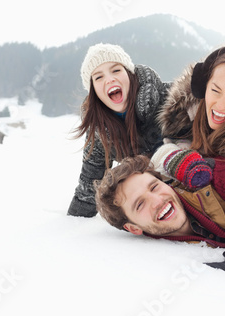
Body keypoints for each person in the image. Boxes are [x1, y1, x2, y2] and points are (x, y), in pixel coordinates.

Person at [95, 152, 225, 277]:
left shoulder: (214, 178)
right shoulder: (155, 255)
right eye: (140, 204)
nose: (158, 201)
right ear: (133, 228)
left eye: (154, 187)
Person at [68, 43, 171, 217]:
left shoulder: (168, 98)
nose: (109, 80)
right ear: (94, 91)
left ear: (130, 74)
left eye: (116, 70)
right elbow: (89, 184)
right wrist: (71, 225)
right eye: (98, 77)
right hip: (153, 205)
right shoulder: (100, 131)